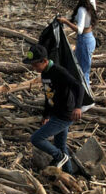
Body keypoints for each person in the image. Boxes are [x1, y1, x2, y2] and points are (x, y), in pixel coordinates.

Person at [25, 43, 85, 174]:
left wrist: (78, 107)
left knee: (36, 139)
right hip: (55, 113)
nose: (33, 67)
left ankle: (59, 157)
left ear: (45, 61)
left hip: (65, 114)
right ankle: (68, 174)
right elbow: (48, 96)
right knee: (60, 145)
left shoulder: (59, 71)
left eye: (35, 64)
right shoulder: (45, 73)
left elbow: (78, 86)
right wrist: (46, 115)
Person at [57, 0, 97, 97]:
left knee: (83, 72)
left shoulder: (82, 9)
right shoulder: (90, 2)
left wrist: (65, 21)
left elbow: (79, 29)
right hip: (90, 38)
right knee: (83, 69)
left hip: (84, 40)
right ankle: (84, 96)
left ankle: (86, 98)